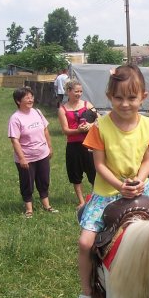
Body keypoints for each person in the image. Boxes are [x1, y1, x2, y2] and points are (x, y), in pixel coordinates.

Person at [73, 64, 149, 298]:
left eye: (131, 97)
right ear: (109, 97)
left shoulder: (148, 125)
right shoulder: (100, 127)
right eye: (118, 98)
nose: (125, 104)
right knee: (85, 243)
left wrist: (141, 180)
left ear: (143, 97)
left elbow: (147, 160)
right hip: (107, 191)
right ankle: (86, 293)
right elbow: (99, 165)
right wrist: (119, 186)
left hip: (141, 184)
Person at [8, 86, 58, 218]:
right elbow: (14, 140)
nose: (31, 100)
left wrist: (49, 147)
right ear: (18, 101)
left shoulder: (37, 112)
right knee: (27, 183)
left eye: (32, 97)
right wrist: (22, 158)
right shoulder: (15, 118)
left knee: (44, 180)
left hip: (42, 154)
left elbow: (45, 130)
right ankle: (29, 210)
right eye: (27, 98)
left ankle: (47, 206)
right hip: (27, 157)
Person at [57, 80, 97, 209]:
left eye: (80, 91)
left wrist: (91, 125)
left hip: (89, 144)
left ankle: (95, 198)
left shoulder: (87, 105)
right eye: (76, 91)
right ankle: (81, 201)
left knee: (94, 172)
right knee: (75, 174)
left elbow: (100, 119)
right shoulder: (62, 109)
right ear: (68, 91)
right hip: (73, 146)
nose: (79, 94)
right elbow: (65, 130)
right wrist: (78, 130)